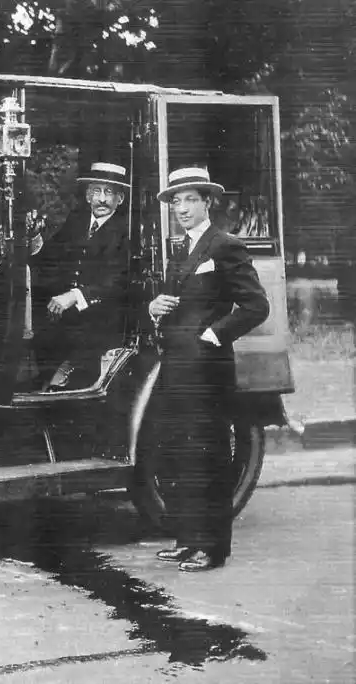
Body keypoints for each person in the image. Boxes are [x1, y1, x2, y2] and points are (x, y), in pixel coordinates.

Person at [148, 167, 270, 572]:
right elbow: (176, 301)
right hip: (175, 368)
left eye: (189, 200)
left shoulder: (225, 245)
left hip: (206, 370)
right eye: (175, 202)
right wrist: (155, 308)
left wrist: (213, 337)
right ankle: (187, 539)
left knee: (208, 457)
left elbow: (256, 306)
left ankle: (212, 548)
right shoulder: (181, 248)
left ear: (207, 203)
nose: (181, 208)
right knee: (177, 454)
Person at [31, 161, 131, 391]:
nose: (102, 199)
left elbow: (118, 281)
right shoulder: (76, 223)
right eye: (97, 191)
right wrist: (35, 235)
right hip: (65, 319)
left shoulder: (126, 231)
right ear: (88, 196)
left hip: (102, 320)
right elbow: (48, 258)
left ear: (120, 199)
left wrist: (75, 295)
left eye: (109, 192)